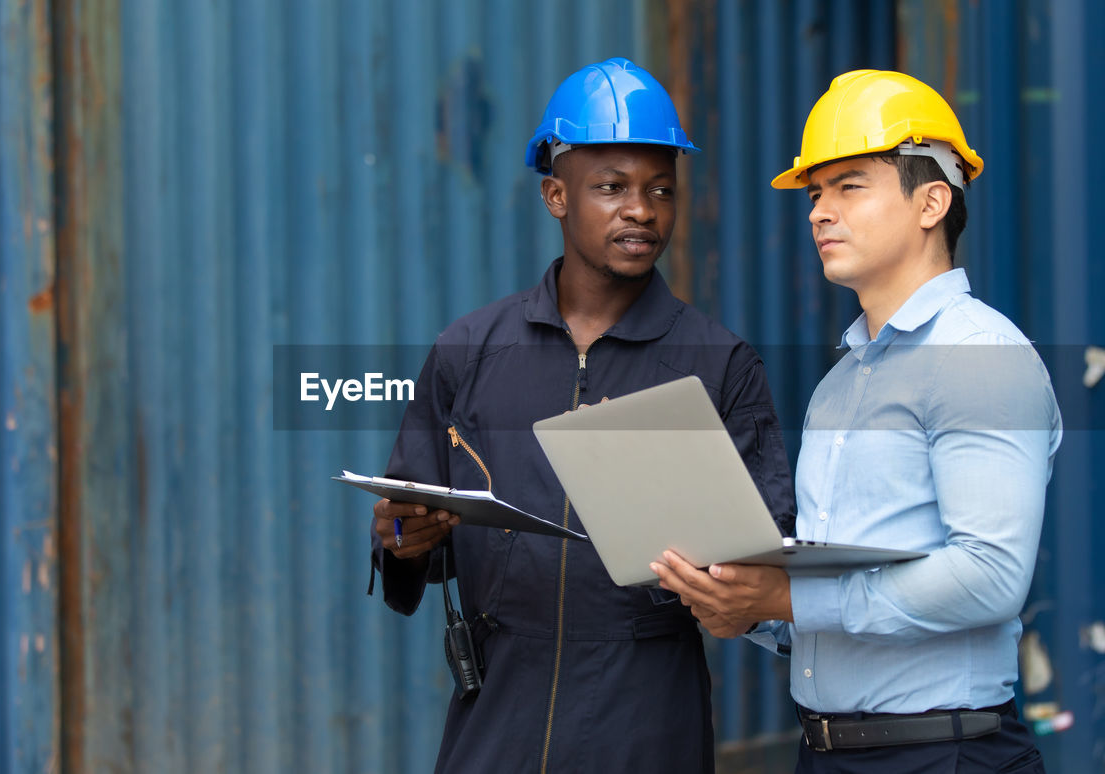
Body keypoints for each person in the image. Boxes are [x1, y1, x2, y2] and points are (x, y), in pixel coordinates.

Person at [368, 58, 795, 773]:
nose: (642, 209)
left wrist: (714, 565)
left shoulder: (719, 365)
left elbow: (768, 563)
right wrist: (402, 541)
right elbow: (413, 529)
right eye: (611, 188)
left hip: (644, 724)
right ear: (556, 196)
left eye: (662, 189)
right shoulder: (469, 352)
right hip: (495, 721)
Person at [651, 69, 1062, 773]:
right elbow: (834, 585)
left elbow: (991, 575)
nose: (818, 212)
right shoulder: (842, 382)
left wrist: (791, 595)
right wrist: (751, 608)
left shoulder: (980, 355)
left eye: (849, 186)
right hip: (828, 751)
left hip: (943, 756)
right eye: (815, 194)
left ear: (932, 200)